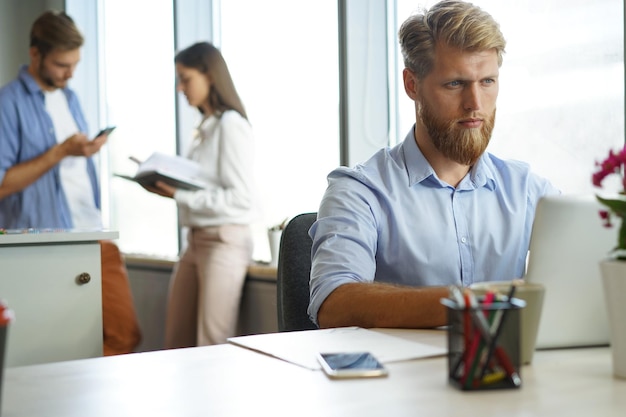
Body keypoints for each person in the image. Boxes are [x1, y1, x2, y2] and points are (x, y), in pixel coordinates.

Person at [307, 0, 560, 330]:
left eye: (487, 82)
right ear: (412, 85)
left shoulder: (527, 188)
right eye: (455, 84)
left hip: (505, 374)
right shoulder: (361, 191)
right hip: (398, 379)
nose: (475, 105)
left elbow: (588, 268)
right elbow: (334, 303)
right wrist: (471, 304)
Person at [0, 10, 141, 355]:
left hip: (92, 232)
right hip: (43, 245)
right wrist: (61, 151)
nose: (71, 73)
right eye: (63, 65)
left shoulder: (72, 97)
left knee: (124, 333)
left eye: (75, 64)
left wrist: (85, 150)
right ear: (36, 54)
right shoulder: (8, 103)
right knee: (52, 346)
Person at [143, 42, 258, 348]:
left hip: (223, 242)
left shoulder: (231, 125)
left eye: (186, 78)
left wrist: (181, 196)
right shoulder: (205, 127)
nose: (181, 88)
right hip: (195, 241)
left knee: (212, 344)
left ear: (209, 75)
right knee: (176, 341)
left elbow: (240, 199)